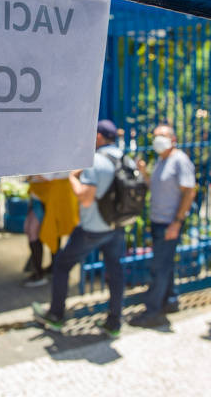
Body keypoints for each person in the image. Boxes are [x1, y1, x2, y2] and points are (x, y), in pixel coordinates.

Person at [32, 120, 127, 338]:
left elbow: (85, 199)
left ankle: (55, 315)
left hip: (93, 228)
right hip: (116, 226)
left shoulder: (97, 161)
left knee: (62, 265)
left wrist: (73, 177)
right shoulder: (123, 157)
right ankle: (114, 322)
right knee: (115, 271)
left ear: (99, 137)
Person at [129, 124, 196, 327]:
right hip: (159, 221)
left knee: (160, 267)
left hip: (169, 222)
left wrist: (177, 222)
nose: (157, 139)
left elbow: (189, 192)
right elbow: (155, 186)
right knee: (166, 265)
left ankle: (153, 311)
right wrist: (143, 173)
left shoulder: (179, 160)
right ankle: (170, 299)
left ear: (173, 139)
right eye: (155, 136)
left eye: (162, 136)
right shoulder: (161, 160)